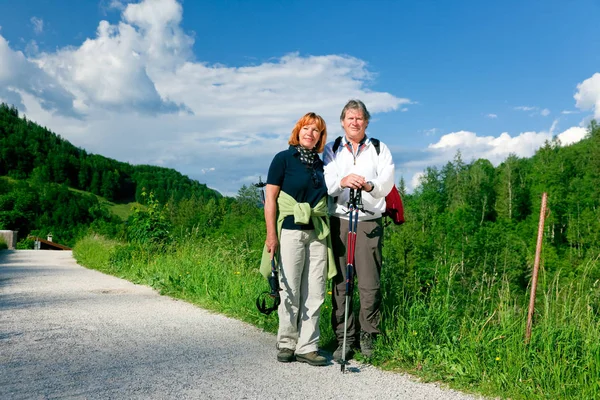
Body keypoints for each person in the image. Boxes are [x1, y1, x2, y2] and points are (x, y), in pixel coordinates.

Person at [260, 112, 336, 367]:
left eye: (316, 130)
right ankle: (286, 343)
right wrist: (272, 234)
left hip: (317, 232)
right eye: (306, 128)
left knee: (314, 291)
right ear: (298, 131)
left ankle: (308, 346)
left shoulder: (322, 164)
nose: (310, 133)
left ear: (320, 137)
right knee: (289, 288)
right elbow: (270, 199)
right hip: (290, 231)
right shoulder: (283, 159)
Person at [323, 99, 395, 361]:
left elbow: (387, 180)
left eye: (360, 118)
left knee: (369, 282)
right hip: (341, 219)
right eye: (350, 118)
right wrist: (343, 181)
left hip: (368, 220)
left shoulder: (379, 147)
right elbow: (328, 182)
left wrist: (368, 186)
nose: (355, 122)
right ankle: (344, 336)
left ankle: (369, 334)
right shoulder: (332, 149)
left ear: (366, 122)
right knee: (341, 280)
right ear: (342, 122)